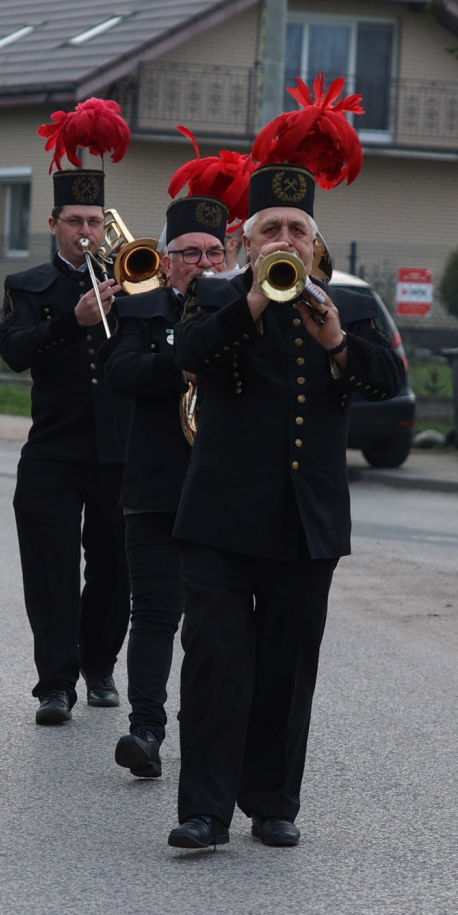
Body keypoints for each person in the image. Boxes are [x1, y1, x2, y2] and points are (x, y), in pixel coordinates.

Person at [167, 161, 406, 849]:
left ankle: (272, 800)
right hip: (219, 518)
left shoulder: (348, 308)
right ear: (247, 243)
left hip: (307, 520)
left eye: (297, 229)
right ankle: (205, 810)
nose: (285, 238)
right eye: (270, 227)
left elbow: (389, 380)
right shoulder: (216, 296)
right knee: (215, 662)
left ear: (315, 245)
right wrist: (256, 304)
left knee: (287, 665)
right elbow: (191, 351)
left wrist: (335, 340)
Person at [0, 99, 133, 724]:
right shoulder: (29, 287)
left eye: (95, 222)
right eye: (74, 221)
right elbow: (16, 352)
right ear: (52, 224)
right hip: (53, 449)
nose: (86, 232)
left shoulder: (134, 282)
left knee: (115, 568)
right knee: (49, 571)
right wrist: (66, 320)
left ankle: (99, 662)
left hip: (118, 450)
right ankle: (55, 682)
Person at [101, 194, 228, 778]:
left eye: (214, 252)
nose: (203, 262)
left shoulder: (246, 309)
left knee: (216, 625)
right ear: (167, 259)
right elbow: (120, 374)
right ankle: (145, 730)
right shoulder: (143, 307)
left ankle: (206, 734)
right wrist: (181, 365)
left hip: (225, 488)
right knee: (153, 614)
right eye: (190, 253)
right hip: (155, 486)